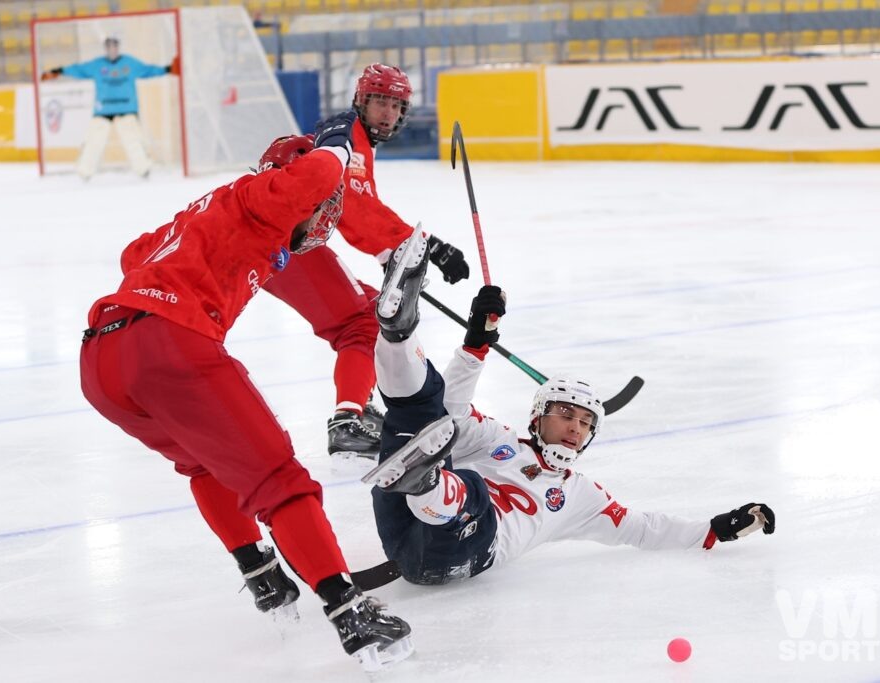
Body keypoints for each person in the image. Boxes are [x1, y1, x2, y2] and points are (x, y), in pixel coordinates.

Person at [78, 110, 413, 672]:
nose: (327, 217)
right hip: (171, 346)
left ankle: (262, 575)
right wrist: (334, 150)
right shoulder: (264, 197)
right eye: (325, 209)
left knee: (206, 465)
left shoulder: (215, 210)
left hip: (101, 360)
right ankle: (349, 612)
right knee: (280, 480)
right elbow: (312, 179)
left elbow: (133, 254)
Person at [362, 231, 777, 585]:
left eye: (584, 422)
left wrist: (714, 530)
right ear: (537, 419)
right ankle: (396, 333)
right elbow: (450, 413)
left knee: (468, 485)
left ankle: (426, 481)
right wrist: (475, 345)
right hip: (402, 526)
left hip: (461, 549)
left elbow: (642, 528)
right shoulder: (498, 440)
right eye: (565, 414)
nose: (576, 427)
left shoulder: (580, 495)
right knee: (426, 407)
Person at [263, 63, 472, 462]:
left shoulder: (353, 138)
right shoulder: (345, 138)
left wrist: (401, 252)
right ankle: (347, 421)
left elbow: (351, 208)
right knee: (361, 322)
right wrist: (420, 247)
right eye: (380, 102)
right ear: (361, 100)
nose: (388, 113)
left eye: (396, 105)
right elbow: (355, 210)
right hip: (284, 246)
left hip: (286, 245)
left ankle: (357, 403)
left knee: (373, 312)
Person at [40, 36, 179, 180]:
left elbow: (148, 70)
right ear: (106, 49)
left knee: (133, 139)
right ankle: (85, 172)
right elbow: (78, 69)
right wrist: (59, 71)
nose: (112, 49)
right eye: (109, 47)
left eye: (114, 46)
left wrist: (167, 69)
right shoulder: (97, 65)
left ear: (118, 47)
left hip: (126, 107)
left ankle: (143, 169)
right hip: (103, 109)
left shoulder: (129, 63)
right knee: (94, 140)